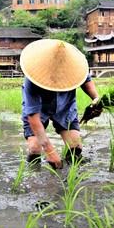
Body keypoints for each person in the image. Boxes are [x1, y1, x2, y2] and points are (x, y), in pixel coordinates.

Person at [20, 39, 101, 169]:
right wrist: (49, 149)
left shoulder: (75, 67)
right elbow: (33, 117)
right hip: (40, 110)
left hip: (65, 107)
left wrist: (96, 98)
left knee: (76, 148)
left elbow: (86, 80)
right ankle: (34, 179)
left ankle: (69, 176)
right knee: (35, 149)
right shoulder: (33, 79)